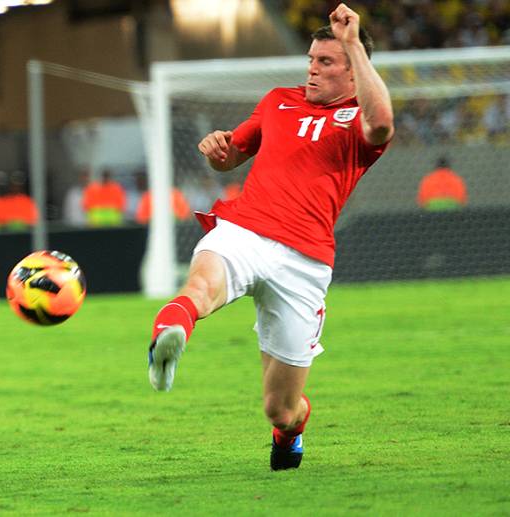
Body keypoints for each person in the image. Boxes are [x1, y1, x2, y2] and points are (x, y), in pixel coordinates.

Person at [146, 3, 394, 471]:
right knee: (198, 288)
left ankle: (289, 433)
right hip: (245, 231)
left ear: (352, 70)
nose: (312, 70)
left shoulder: (360, 117)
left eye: (325, 62)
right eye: (310, 60)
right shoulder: (279, 99)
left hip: (305, 261)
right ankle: (168, 338)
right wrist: (217, 150)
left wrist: (355, 42)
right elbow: (231, 155)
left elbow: (382, 124)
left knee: (279, 408)